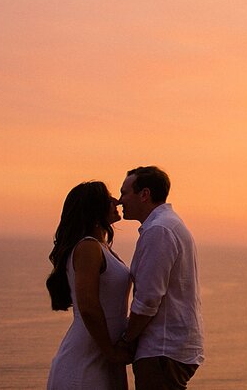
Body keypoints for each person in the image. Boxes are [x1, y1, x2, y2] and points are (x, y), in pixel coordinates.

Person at [117, 166, 204, 389]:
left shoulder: (159, 230)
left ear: (144, 194)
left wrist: (127, 339)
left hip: (162, 349)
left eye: (124, 193)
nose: (120, 201)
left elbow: (147, 299)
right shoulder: (169, 225)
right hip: (170, 349)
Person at [47, 181, 132, 390]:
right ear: (94, 209)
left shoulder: (102, 248)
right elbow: (88, 306)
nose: (116, 201)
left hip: (102, 357)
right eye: (108, 198)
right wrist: (111, 353)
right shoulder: (88, 248)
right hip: (86, 363)